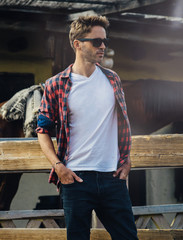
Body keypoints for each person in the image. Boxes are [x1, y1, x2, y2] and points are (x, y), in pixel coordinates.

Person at [36, 15, 138, 240]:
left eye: (105, 41)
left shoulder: (113, 79)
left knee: (128, 237)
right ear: (77, 44)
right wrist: (58, 167)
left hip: (112, 175)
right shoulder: (56, 84)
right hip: (75, 177)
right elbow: (42, 130)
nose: (103, 46)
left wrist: (127, 158)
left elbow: (122, 122)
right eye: (96, 41)